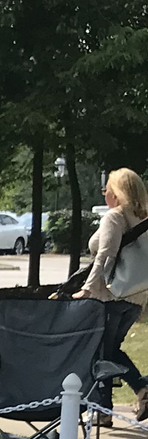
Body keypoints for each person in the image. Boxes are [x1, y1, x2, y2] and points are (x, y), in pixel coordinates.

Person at [73, 166, 148, 423]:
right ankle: (132, 393)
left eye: (107, 189)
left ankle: (105, 410)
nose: (105, 194)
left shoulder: (114, 217)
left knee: (101, 352)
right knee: (110, 350)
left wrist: (88, 287)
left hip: (111, 296)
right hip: (136, 298)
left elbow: (106, 255)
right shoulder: (143, 218)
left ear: (116, 194)